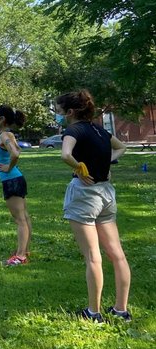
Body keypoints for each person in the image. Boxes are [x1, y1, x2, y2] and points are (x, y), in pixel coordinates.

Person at [56, 90, 131, 322]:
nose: (58, 115)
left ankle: (93, 313)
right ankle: (121, 310)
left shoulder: (73, 130)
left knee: (93, 256)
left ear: (70, 112)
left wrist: (80, 167)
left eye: (59, 110)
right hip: (106, 193)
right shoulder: (100, 129)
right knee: (117, 254)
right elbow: (121, 148)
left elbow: (65, 155)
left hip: (85, 195)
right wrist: (103, 162)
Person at [0, 105, 32, 266]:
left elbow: (15, 153)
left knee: (20, 219)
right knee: (24, 217)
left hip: (12, 180)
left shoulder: (5, 135)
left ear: (1, 119)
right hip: (16, 179)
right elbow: (16, 150)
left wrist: (9, 167)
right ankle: (24, 251)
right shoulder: (7, 135)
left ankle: (20, 256)